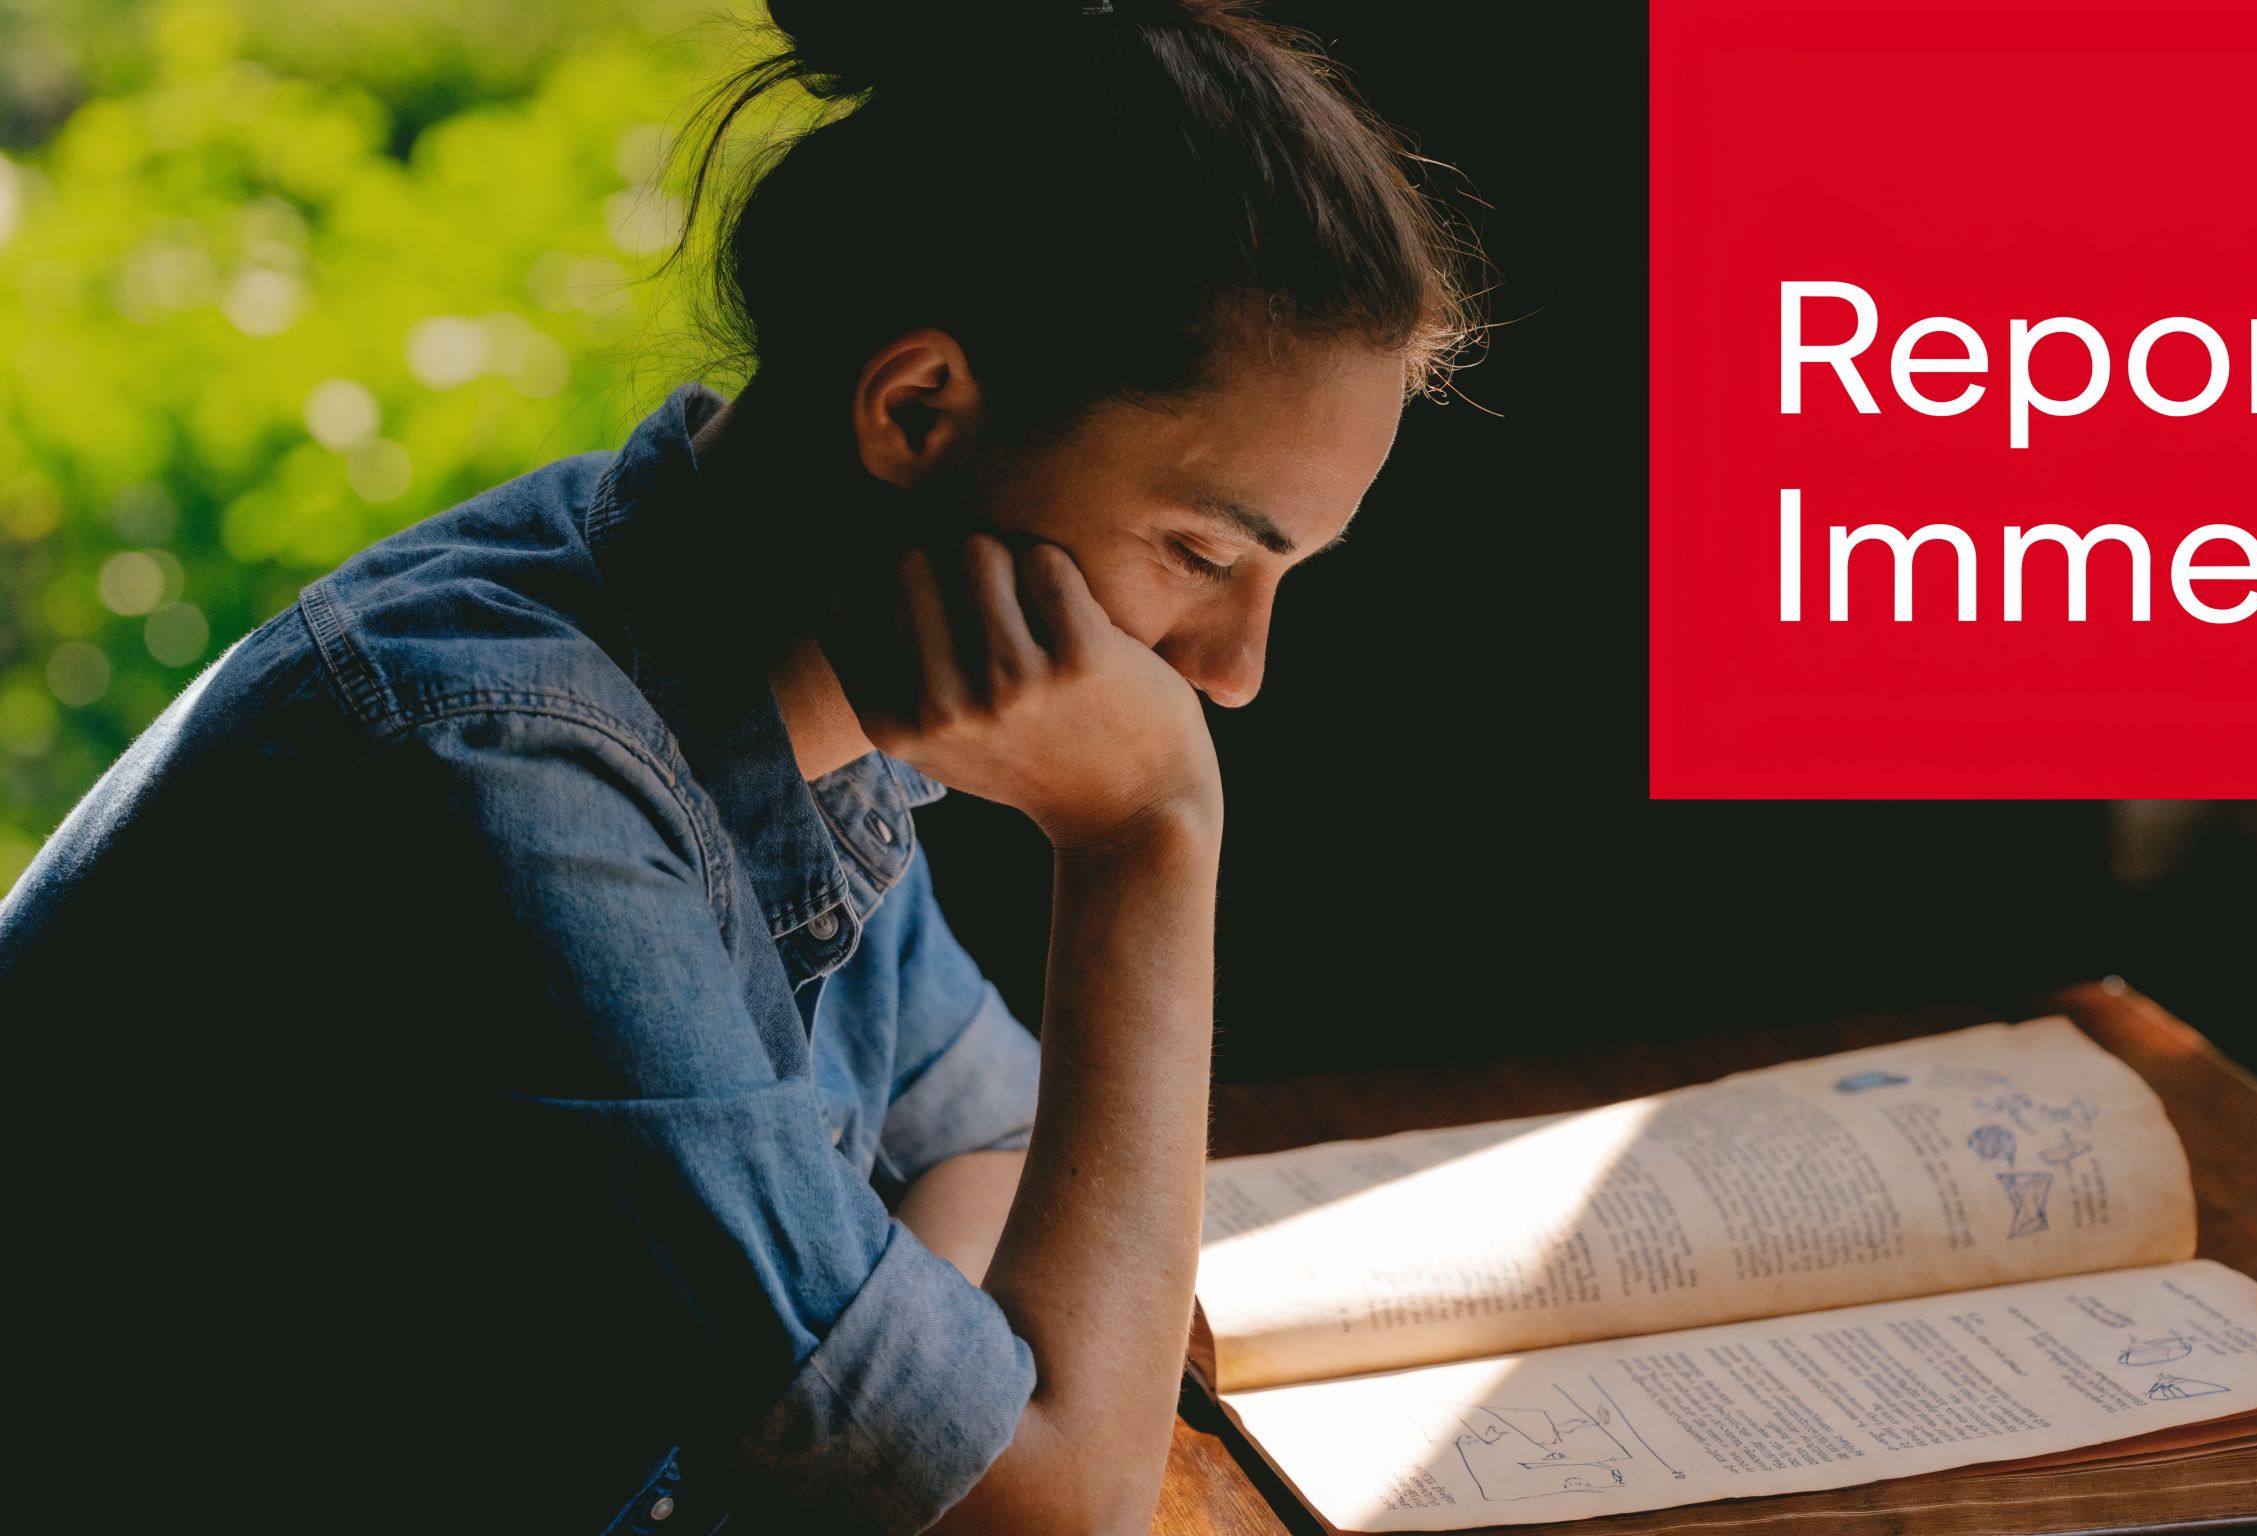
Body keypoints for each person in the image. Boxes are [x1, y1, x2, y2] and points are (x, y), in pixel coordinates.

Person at [0, 1, 1470, 1530]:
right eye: (1203, 550)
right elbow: (1052, 1502)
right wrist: (1149, 839)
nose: (1232, 672)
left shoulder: (769, 683)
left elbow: (995, 1135)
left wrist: (967, 1372)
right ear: (917, 410)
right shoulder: (500, 780)